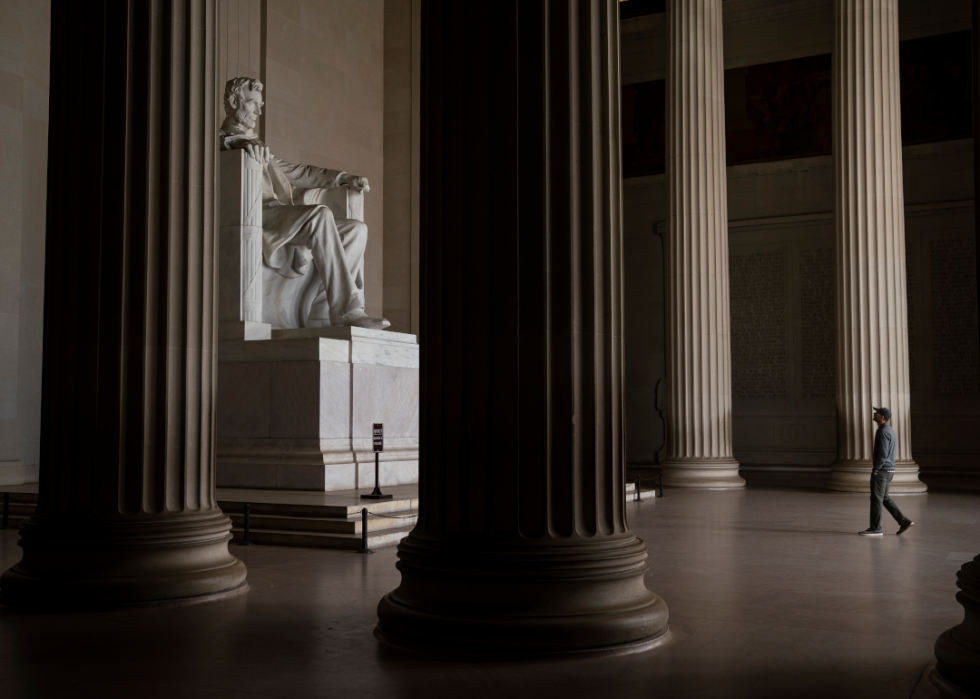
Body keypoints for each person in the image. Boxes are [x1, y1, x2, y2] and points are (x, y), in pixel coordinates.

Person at [219, 77, 389, 330]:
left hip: (280, 213)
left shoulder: (260, 148)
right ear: (234, 102)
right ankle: (348, 310)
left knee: (356, 230)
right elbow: (221, 146)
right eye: (253, 104)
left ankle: (322, 313)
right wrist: (241, 143)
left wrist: (344, 179)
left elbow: (302, 172)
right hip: (254, 214)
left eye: (261, 105)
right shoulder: (225, 142)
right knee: (320, 215)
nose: (259, 111)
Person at [858, 407, 915, 536]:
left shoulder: (883, 431)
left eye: (876, 412)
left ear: (882, 416)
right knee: (884, 498)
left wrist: (876, 469)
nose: (874, 413)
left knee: (876, 499)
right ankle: (904, 522)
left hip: (882, 471)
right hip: (888, 470)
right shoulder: (888, 430)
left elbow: (883, 453)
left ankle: (875, 528)